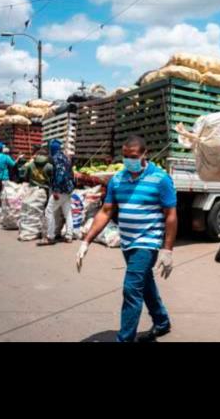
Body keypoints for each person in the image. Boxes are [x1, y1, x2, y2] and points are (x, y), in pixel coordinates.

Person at [76, 135, 178, 343]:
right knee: (145, 283)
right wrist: (86, 241)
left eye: (132, 156)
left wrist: (167, 249)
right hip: (128, 242)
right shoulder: (118, 179)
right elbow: (106, 211)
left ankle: (125, 339)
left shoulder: (160, 178)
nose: (128, 160)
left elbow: (170, 215)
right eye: (124, 156)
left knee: (131, 289)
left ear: (144, 155)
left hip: (147, 243)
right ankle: (161, 321)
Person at [37, 139, 76, 245]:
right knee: (67, 213)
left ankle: (50, 236)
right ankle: (69, 236)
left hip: (60, 190)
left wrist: (56, 190)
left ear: (52, 149)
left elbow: (60, 173)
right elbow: (71, 173)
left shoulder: (56, 158)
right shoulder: (65, 157)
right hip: (68, 189)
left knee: (49, 211)